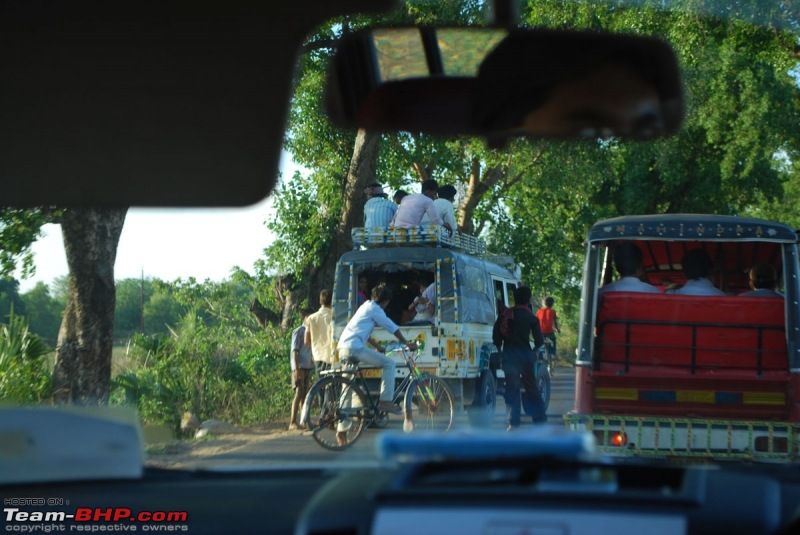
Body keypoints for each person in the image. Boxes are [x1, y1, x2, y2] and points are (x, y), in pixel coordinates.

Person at [336, 283, 419, 420]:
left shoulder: (365, 306)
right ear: (386, 301)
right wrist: (407, 343)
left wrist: (377, 346)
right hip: (355, 348)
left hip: (343, 348)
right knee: (389, 364)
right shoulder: (376, 309)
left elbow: (363, 332)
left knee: (348, 384)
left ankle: (342, 427)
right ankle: (385, 401)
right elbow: (391, 327)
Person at [494, 286, 547, 430]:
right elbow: (539, 342)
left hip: (509, 357)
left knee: (513, 387)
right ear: (528, 299)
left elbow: (496, 337)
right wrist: (535, 351)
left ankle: (514, 421)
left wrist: (500, 350)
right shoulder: (531, 318)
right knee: (531, 388)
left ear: (515, 299)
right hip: (526, 358)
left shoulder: (505, 315)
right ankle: (539, 420)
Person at [389, 179, 453, 233]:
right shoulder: (428, 201)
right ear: (428, 192)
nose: (435, 197)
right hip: (408, 232)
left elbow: (395, 216)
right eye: (434, 194)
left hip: (396, 231)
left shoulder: (406, 198)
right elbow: (436, 220)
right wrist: (447, 226)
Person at [289, 308, 315, 430]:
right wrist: (296, 368)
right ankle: (292, 421)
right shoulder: (298, 331)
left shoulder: (311, 331)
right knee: (298, 393)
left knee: (304, 394)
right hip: (299, 367)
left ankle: (303, 420)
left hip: (308, 366)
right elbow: (295, 351)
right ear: (303, 318)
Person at [304, 289, 334, 377]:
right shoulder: (335, 317)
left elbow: (306, 340)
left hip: (317, 356)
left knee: (320, 385)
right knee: (332, 385)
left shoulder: (311, 318)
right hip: (331, 356)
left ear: (320, 301)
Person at [536, 296, 561, 365]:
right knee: (553, 340)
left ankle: (539, 356)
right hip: (549, 332)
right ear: (552, 304)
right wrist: (557, 329)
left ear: (544, 303)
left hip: (540, 332)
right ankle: (553, 354)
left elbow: (536, 321)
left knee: (540, 344)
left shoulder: (539, 311)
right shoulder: (552, 311)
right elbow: (555, 322)